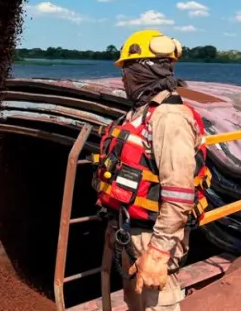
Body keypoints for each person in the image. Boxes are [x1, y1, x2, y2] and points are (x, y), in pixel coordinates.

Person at [93, 29, 211, 311]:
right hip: (129, 231)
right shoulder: (139, 114)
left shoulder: (169, 118)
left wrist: (158, 253)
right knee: (135, 303)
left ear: (143, 70)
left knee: (159, 306)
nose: (123, 78)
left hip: (155, 237)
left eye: (127, 69)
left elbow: (180, 195)